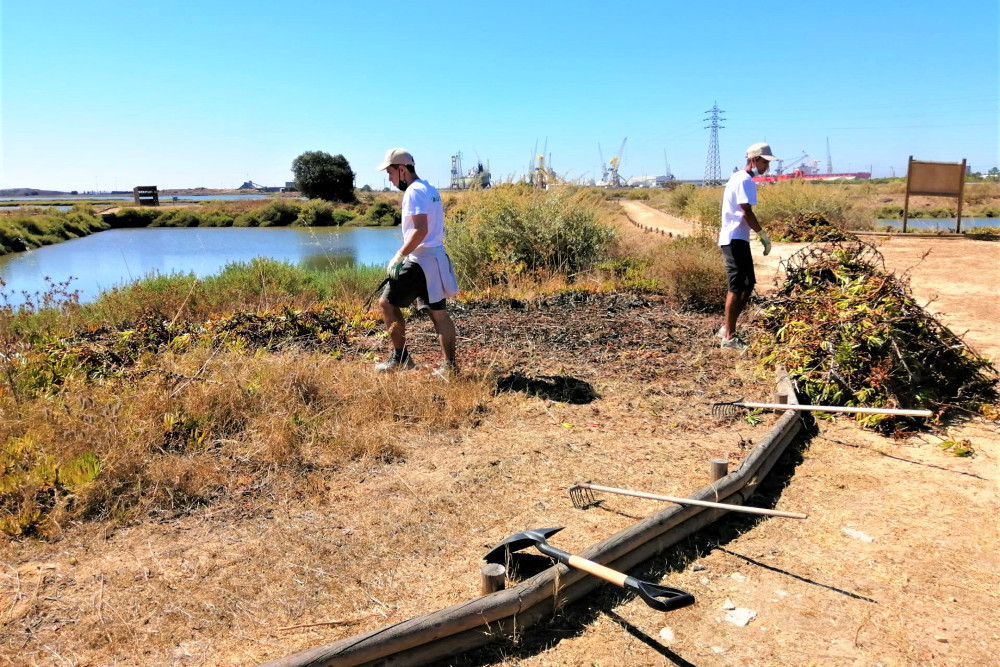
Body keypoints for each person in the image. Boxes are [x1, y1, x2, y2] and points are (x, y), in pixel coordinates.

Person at [374, 147, 460, 376]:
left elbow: (420, 230)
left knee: (387, 304)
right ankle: (450, 368)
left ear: (402, 170)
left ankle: (400, 358)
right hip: (436, 259)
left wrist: (399, 255)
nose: (390, 180)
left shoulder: (413, 191)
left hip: (420, 260)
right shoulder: (429, 188)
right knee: (439, 314)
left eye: (390, 174)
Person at [717, 142, 778, 351]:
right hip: (734, 237)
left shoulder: (740, 178)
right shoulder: (744, 180)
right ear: (753, 159)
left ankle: (726, 327)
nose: (766, 166)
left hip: (738, 238)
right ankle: (729, 338)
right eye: (764, 162)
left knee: (748, 283)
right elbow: (746, 212)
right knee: (736, 286)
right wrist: (762, 234)